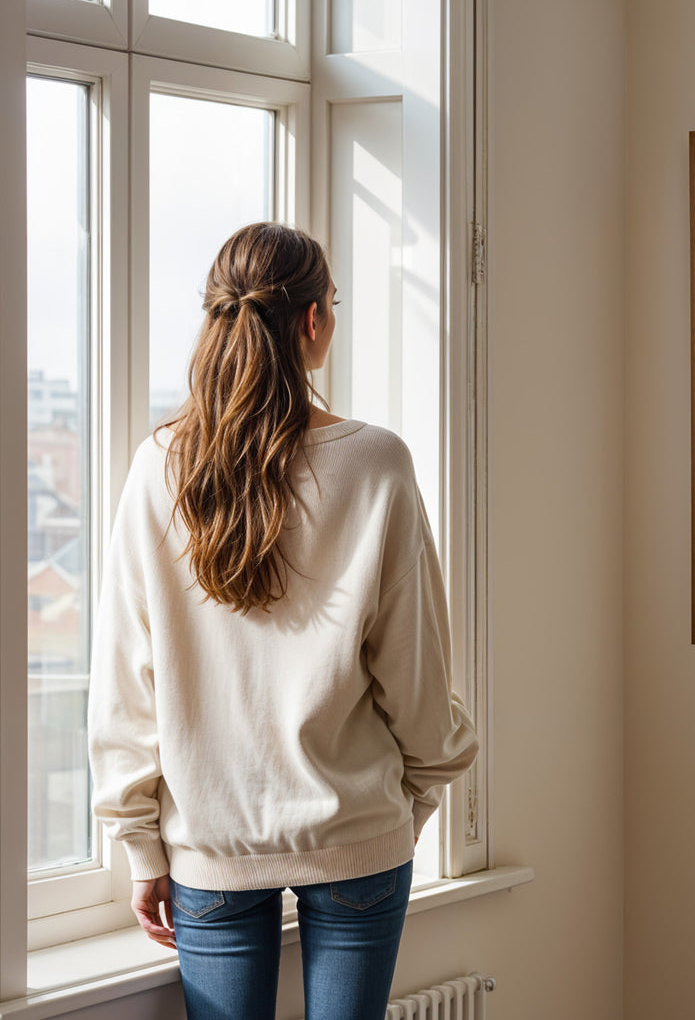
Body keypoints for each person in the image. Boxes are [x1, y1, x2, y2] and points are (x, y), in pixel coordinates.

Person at [88, 222, 479, 1020]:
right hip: (359, 831)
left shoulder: (158, 465)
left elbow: (126, 672)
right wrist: (422, 792)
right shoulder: (375, 463)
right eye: (331, 304)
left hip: (209, 844)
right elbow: (415, 664)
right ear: (311, 321)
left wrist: (140, 845)